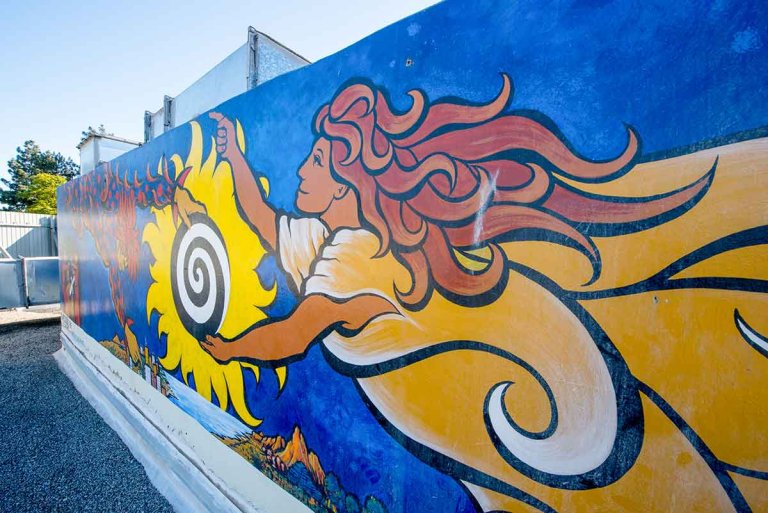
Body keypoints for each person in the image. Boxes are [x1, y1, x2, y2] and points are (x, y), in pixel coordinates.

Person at [197, 76, 760, 512]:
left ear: (349, 182)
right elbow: (265, 220)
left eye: (317, 161)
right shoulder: (326, 238)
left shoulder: (356, 259)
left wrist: (228, 348)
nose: (300, 169)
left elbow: (294, 334)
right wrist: (236, 156)